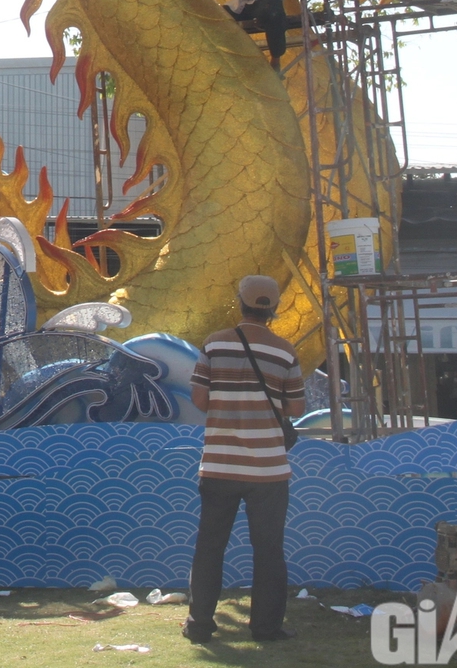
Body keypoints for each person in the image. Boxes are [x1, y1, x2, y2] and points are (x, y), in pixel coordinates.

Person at [184, 275, 305, 644]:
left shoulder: (214, 344)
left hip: (219, 464)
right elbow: (296, 406)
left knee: (210, 546)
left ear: (240, 303)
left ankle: (200, 625)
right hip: (268, 470)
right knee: (269, 550)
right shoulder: (285, 351)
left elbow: (200, 401)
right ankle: (266, 628)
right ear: (274, 309)